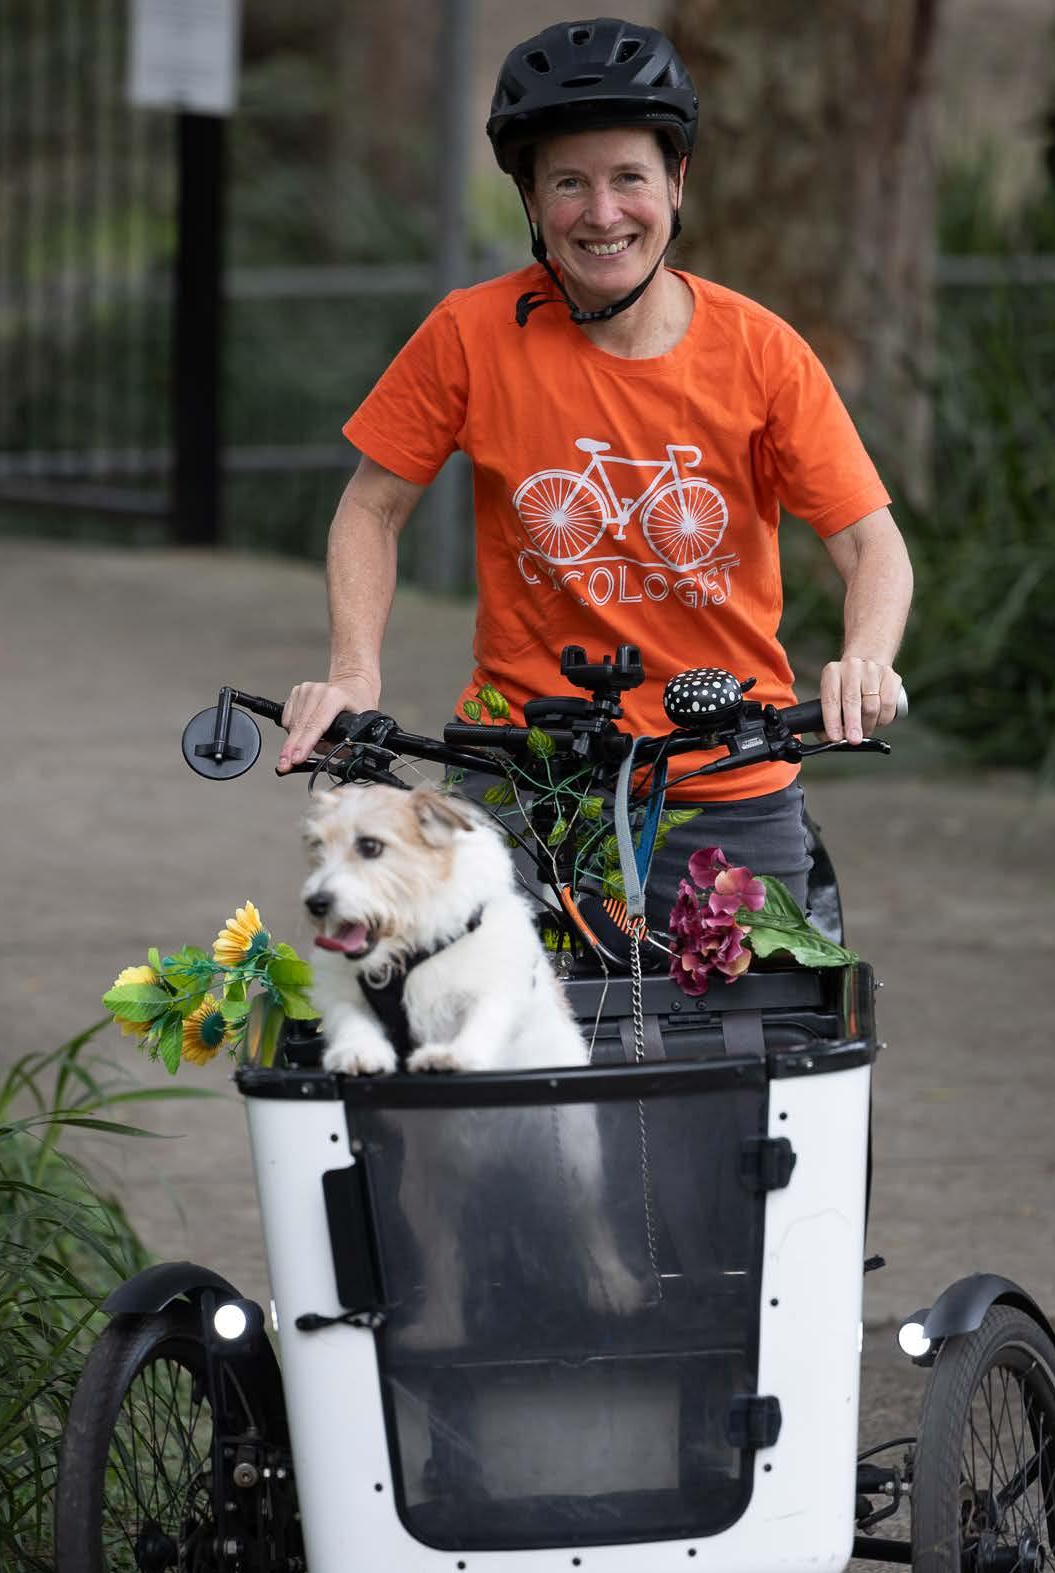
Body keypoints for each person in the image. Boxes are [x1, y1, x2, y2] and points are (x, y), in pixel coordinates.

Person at [277, 17, 912, 929]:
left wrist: (867, 659)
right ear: (532, 200)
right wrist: (352, 675)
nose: (603, 213)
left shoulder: (762, 353)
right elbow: (371, 508)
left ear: (676, 182)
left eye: (629, 178)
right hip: (521, 773)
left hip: (728, 773)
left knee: (769, 1012)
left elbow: (868, 541)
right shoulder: (469, 334)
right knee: (463, 1003)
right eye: (570, 182)